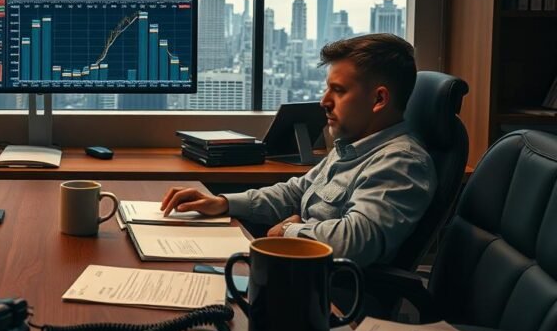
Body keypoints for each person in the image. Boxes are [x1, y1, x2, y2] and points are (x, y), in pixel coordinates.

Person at [161, 33, 436, 267]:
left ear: (379, 99)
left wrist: (289, 230)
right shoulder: (352, 147)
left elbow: (355, 241)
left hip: (329, 295)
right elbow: (294, 192)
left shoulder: (401, 162)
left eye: (338, 91)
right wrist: (223, 202)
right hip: (294, 272)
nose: (324, 101)